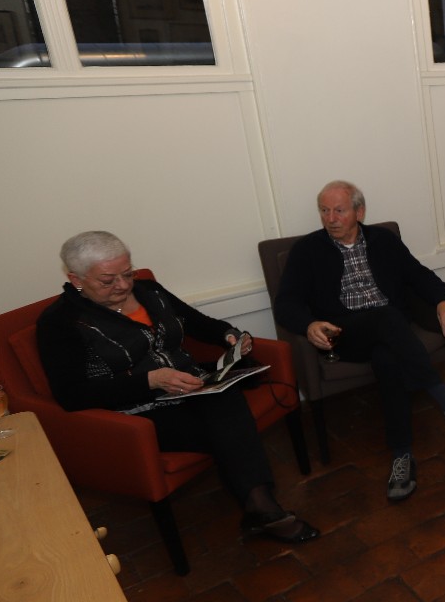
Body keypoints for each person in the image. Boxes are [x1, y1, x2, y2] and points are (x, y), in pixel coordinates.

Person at [37, 231, 318, 544]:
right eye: (108, 280)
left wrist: (228, 335)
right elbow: (71, 395)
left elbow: (196, 322)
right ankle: (264, 509)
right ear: (76, 279)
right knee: (229, 424)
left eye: (127, 273)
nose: (123, 285)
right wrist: (151, 380)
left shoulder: (149, 291)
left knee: (225, 398)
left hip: (190, 387)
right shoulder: (60, 322)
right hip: (137, 413)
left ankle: (261, 510)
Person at [273, 180, 445, 503]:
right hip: (345, 333)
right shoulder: (307, 250)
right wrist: (308, 325)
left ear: (359, 211)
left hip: (391, 332)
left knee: (387, 358)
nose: (330, 218)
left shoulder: (383, 240)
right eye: (324, 210)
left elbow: (417, 274)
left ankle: (402, 456)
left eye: (339, 210)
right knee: (386, 317)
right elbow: (285, 303)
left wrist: (443, 299)